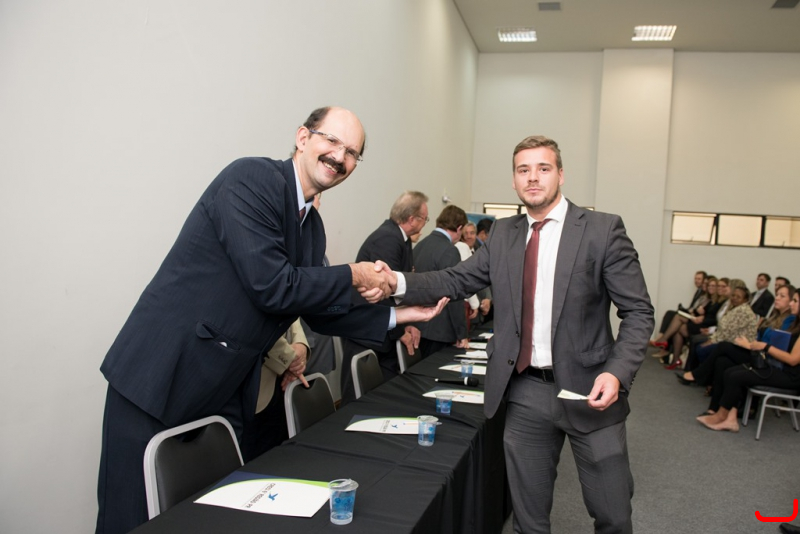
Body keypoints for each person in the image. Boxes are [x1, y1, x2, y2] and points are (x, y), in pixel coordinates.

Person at [95, 106, 446, 534]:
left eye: (352, 152)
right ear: (303, 137)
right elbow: (272, 285)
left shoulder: (311, 227)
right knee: (129, 518)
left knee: (203, 518)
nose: (340, 156)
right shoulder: (251, 179)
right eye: (332, 141)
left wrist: (401, 314)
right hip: (161, 375)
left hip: (223, 389)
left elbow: (318, 310)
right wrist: (354, 274)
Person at [370, 135, 654, 533]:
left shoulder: (602, 230)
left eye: (543, 168)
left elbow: (638, 312)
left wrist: (617, 372)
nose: (533, 178)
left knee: (613, 515)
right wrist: (396, 282)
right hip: (526, 394)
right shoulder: (503, 234)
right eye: (523, 170)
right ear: (514, 179)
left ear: (561, 174)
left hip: (591, 390)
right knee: (528, 521)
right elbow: (454, 279)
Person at [339, 191, 428, 404]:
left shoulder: (401, 239)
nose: (425, 223)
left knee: (383, 393)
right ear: (412, 219)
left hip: (381, 329)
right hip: (365, 329)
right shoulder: (388, 238)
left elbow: (403, 286)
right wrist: (401, 330)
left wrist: (407, 324)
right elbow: (385, 289)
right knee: (357, 396)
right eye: (425, 218)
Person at [697, 290, 800, 432]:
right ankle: (730, 418)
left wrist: (765, 347)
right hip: (777, 366)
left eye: (795, 301)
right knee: (729, 370)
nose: (791, 304)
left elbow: (793, 360)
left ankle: (721, 415)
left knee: (736, 376)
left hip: (790, 376)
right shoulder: (795, 324)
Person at [412, 204, 471, 358]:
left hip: (416, 324)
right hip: (439, 330)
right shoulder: (449, 250)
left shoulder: (420, 246)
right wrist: (461, 333)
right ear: (459, 228)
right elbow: (454, 294)